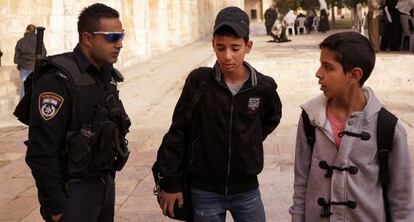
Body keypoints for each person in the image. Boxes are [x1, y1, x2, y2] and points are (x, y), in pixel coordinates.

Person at [156, 6, 282, 221]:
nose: (227, 56)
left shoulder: (263, 87)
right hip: (205, 191)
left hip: (247, 190)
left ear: (248, 46)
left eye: (235, 48)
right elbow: (178, 132)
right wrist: (170, 182)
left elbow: (272, 117)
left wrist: (248, 139)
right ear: (213, 45)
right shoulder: (199, 82)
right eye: (220, 47)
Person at [289, 31, 414, 221]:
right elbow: (301, 184)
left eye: (327, 67)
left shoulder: (387, 127)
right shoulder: (310, 119)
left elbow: (402, 200)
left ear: (354, 75)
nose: (318, 73)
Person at [24, 3, 130, 222]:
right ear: (87, 38)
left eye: (121, 36)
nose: (119, 44)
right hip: (73, 192)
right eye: (112, 37)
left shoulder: (105, 75)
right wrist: (57, 208)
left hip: (103, 183)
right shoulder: (57, 81)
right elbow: (41, 151)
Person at [14, 24, 47, 98]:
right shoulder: (39, 42)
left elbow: (16, 59)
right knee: (36, 87)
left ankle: (22, 108)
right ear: (35, 31)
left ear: (27, 30)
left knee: (23, 88)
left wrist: (22, 63)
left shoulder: (20, 42)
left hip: (24, 68)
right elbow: (44, 54)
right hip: (36, 67)